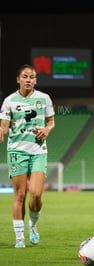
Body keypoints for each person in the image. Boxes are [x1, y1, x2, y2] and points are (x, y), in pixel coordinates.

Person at [0, 64, 55, 248]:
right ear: (18, 79)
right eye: (25, 76)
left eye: (32, 77)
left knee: (36, 195)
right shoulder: (9, 101)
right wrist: (1, 131)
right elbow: (4, 126)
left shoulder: (44, 98)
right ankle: (19, 238)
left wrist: (47, 129)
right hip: (17, 151)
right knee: (20, 194)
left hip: (38, 151)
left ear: (35, 80)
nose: (29, 80)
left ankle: (33, 225)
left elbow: (51, 121)